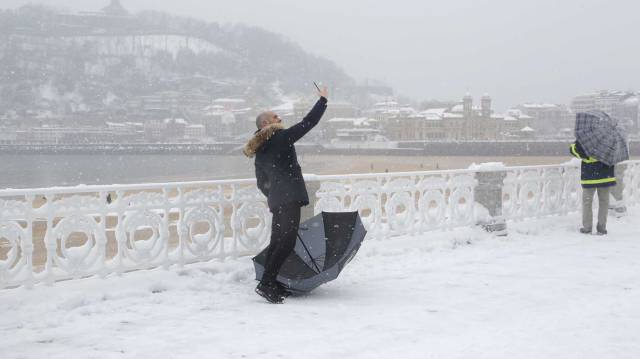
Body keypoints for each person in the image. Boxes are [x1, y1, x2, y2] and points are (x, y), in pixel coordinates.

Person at [243, 86, 329, 303]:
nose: (279, 117)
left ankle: (270, 281)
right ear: (265, 123)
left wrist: (274, 192)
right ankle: (266, 283)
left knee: (277, 241)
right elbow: (308, 123)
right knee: (286, 242)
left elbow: (261, 183)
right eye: (274, 116)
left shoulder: (260, 149)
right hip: (289, 198)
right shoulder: (280, 137)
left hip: (277, 200)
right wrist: (322, 101)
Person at [569, 140, 616, 235]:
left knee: (587, 203)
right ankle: (601, 228)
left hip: (589, 176)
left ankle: (587, 228)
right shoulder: (609, 138)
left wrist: (575, 145)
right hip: (605, 176)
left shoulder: (587, 137)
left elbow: (574, 150)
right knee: (604, 203)